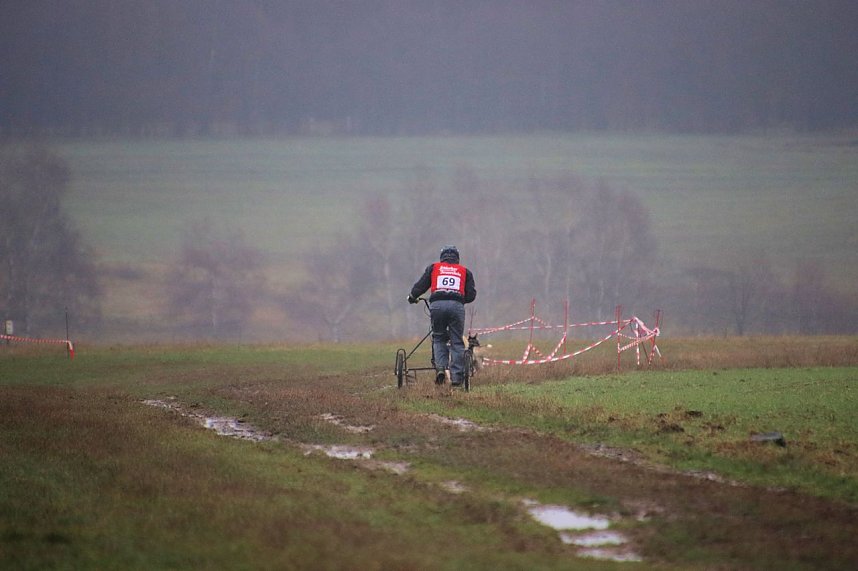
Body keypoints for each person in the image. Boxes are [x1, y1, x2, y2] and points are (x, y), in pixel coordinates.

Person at [408, 245, 476, 386]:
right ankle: (457, 378)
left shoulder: (434, 268)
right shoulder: (465, 271)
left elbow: (420, 286)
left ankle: (440, 369)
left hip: (437, 305)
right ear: (457, 258)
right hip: (456, 306)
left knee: (438, 338)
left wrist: (412, 297)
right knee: (457, 341)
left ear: (442, 257)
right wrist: (460, 299)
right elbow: (471, 295)